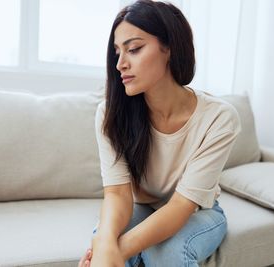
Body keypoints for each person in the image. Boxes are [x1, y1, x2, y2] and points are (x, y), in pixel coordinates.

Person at [79, 0, 241, 266]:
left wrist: (113, 251)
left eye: (134, 49)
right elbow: (118, 194)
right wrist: (105, 243)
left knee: (165, 253)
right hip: (138, 207)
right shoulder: (110, 112)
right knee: (103, 243)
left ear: (169, 48)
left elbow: (180, 206)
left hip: (198, 211)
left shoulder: (219, 118)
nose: (120, 64)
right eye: (117, 52)